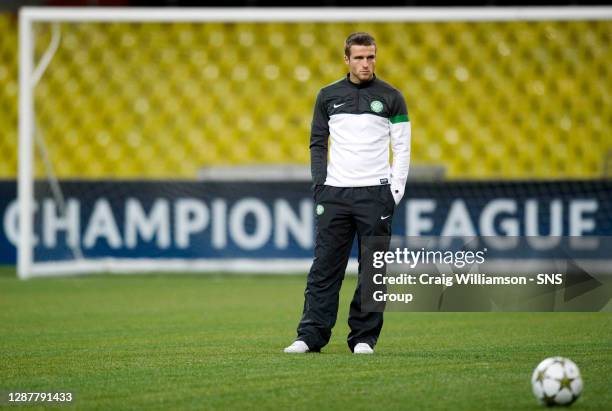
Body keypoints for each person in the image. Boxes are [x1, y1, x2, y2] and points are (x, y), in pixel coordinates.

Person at [284, 32, 411, 354]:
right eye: (359, 57)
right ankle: (310, 336)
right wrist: (320, 185)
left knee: (374, 270)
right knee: (325, 268)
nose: (365, 63)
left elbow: (402, 148)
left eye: (370, 57)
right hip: (335, 195)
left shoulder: (392, 96)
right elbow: (317, 142)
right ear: (347, 60)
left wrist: (394, 192)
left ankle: (364, 338)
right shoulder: (327, 95)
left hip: (376, 194)